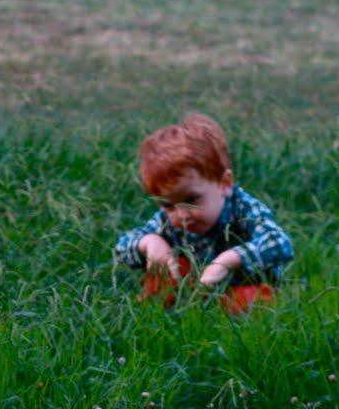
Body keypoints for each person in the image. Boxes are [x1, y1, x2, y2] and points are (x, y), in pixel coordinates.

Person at [112, 114, 293, 315]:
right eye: (168, 205)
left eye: (192, 200)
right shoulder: (167, 220)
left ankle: (224, 321)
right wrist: (148, 243)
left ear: (225, 184)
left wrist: (229, 260)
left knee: (254, 300)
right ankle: (160, 315)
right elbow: (120, 249)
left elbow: (279, 243)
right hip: (192, 290)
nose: (181, 214)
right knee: (164, 265)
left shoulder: (243, 208)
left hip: (240, 287)